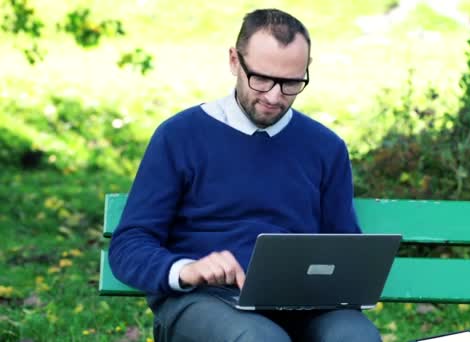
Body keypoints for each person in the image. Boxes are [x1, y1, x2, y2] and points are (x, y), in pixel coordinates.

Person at [109, 8, 381, 342]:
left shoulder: (326, 147)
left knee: (355, 338)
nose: (274, 96)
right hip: (204, 300)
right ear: (235, 61)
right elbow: (128, 244)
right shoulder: (181, 136)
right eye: (262, 78)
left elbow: (343, 249)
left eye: (292, 83)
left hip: (304, 306)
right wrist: (187, 269)